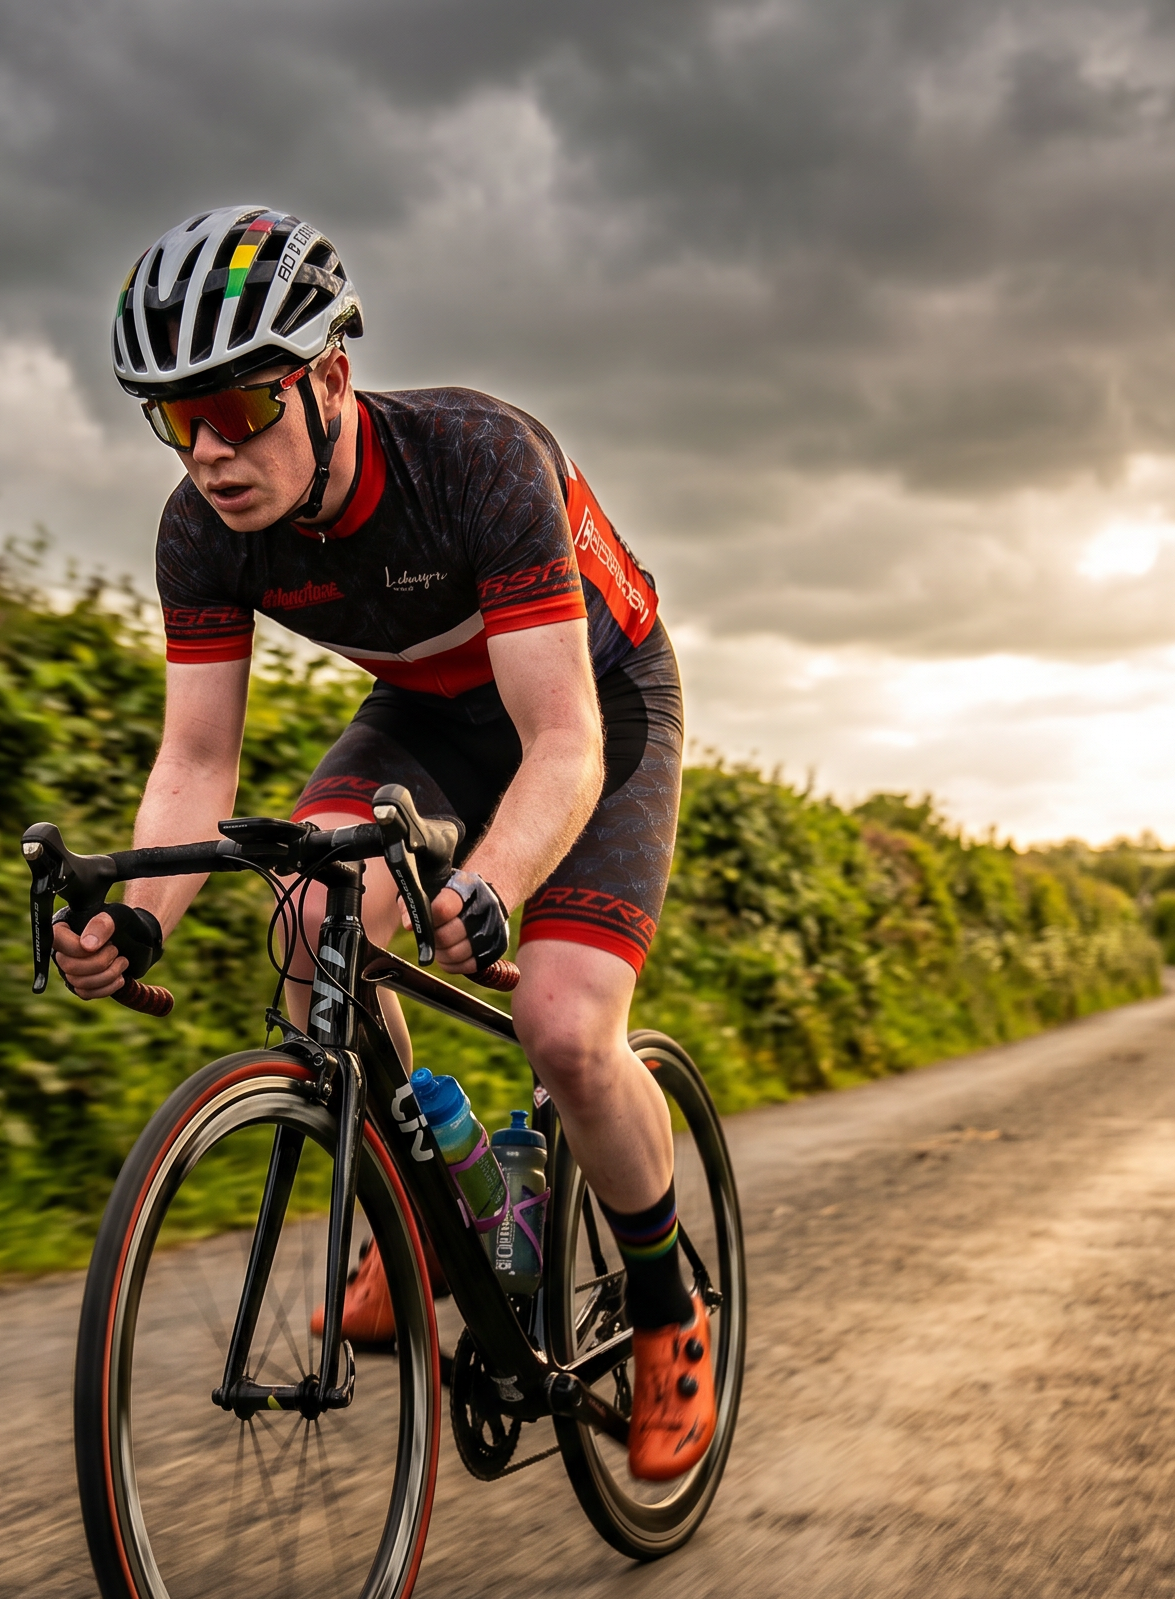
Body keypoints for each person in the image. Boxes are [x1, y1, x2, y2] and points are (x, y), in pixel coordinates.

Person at [51, 206, 712, 1481]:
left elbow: (562, 738)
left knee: (568, 1031)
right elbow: (196, 762)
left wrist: (495, 884)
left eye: (238, 406)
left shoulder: (480, 459)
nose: (207, 453)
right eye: (173, 419)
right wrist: (139, 919)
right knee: (309, 920)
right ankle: (440, 1194)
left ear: (330, 376)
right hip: (424, 711)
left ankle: (663, 1309)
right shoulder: (202, 531)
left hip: (596, 699)